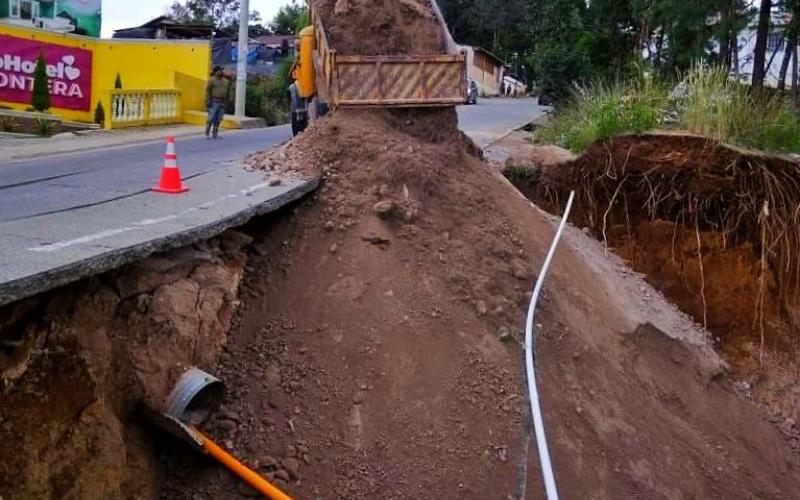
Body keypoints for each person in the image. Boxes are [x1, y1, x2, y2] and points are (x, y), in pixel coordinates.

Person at [205, 66, 232, 139]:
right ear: (215, 72)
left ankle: (215, 133)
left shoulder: (226, 81)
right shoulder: (211, 80)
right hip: (214, 101)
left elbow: (228, 92)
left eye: (221, 70)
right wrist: (207, 101)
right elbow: (208, 91)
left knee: (219, 119)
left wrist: (228, 101)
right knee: (211, 118)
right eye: (219, 70)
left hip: (222, 102)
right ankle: (207, 133)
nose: (221, 72)